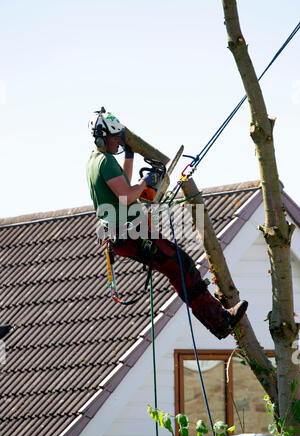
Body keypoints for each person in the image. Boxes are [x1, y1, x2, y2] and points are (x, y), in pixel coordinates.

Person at [86, 109, 248, 339]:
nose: (117, 142)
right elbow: (127, 196)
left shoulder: (96, 161)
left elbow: (122, 184)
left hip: (125, 235)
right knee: (180, 266)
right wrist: (145, 182)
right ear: (101, 138)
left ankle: (217, 317)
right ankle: (220, 321)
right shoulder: (105, 161)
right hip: (131, 235)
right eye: (113, 138)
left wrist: (130, 157)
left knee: (179, 266)